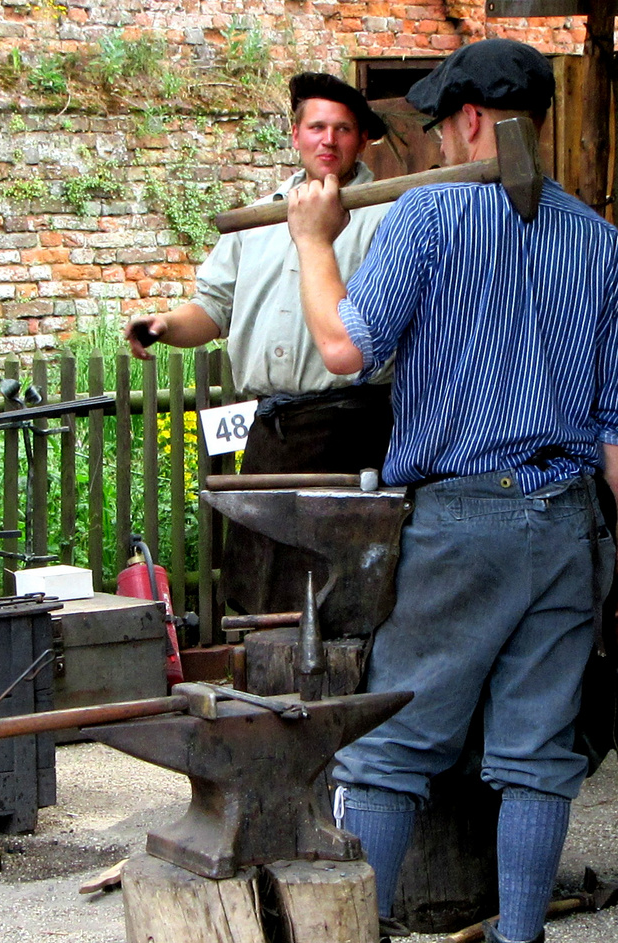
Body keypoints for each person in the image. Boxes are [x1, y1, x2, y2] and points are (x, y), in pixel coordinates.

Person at [284, 39, 618, 943]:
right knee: (536, 752)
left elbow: (341, 347)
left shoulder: (427, 215)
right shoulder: (605, 247)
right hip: (566, 519)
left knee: (395, 747)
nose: (442, 138)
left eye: (444, 123)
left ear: (478, 121)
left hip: (457, 525)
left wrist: (313, 241)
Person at [126, 73, 394, 615]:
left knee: (335, 594)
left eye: (344, 129)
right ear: (295, 135)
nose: (329, 140)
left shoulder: (392, 217)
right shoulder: (256, 220)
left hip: (354, 427)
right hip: (270, 433)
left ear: (362, 141)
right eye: (317, 126)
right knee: (257, 589)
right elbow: (213, 308)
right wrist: (163, 325)